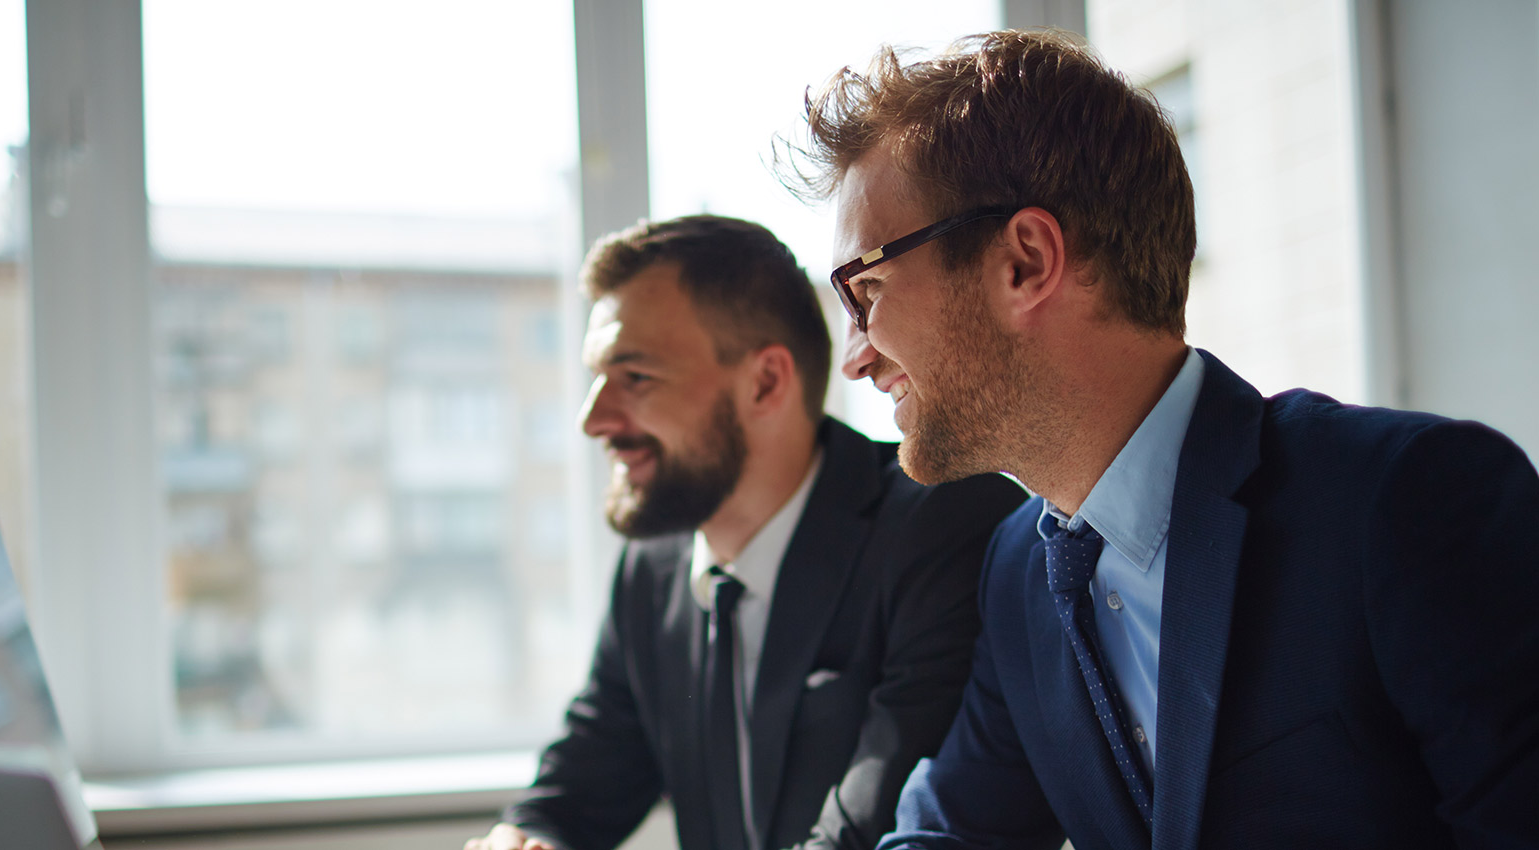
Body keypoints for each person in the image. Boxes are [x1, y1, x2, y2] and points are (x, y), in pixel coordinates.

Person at [785, 29, 1539, 850]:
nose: (854, 357)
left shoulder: (1406, 498)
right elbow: (949, 833)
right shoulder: (1018, 575)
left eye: (866, 291)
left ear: (1025, 261)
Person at [463, 215, 1026, 850]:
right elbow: (584, 778)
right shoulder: (652, 567)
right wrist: (527, 838)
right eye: (597, 377)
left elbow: (878, 829)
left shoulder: (943, 529)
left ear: (765, 382)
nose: (593, 420)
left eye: (636, 378)